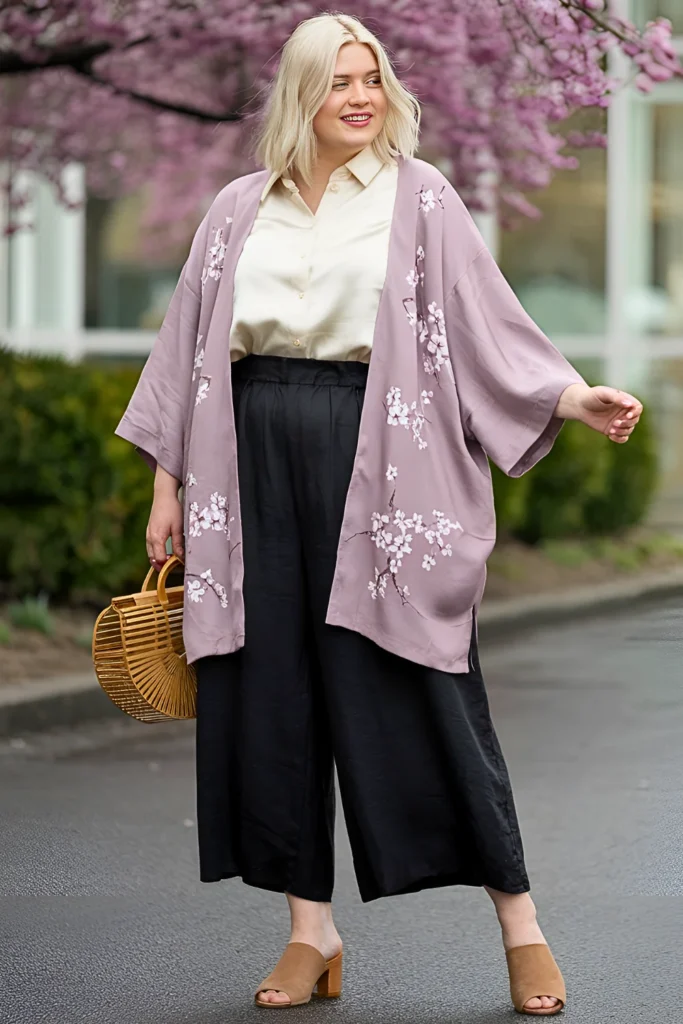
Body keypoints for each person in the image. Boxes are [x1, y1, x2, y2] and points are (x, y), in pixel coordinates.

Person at [115, 12, 643, 1016]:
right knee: (269, 693)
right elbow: (190, 349)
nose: (358, 98)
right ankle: (309, 934)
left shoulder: (420, 197)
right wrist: (167, 483)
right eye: (336, 83)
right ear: (300, 96)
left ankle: (519, 924)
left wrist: (570, 397)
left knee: (420, 683)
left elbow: (486, 320)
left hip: (378, 458)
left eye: (370, 78)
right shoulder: (235, 210)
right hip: (249, 454)